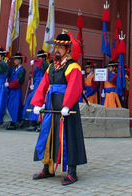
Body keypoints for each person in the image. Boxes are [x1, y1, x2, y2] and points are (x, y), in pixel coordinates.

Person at [31, 31, 87, 186]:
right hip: (51, 107)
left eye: (60, 47)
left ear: (67, 49)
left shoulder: (73, 66)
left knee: (68, 137)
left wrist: (67, 105)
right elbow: (44, 85)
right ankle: (48, 167)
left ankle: (72, 172)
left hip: (66, 109)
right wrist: (38, 103)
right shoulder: (51, 67)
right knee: (49, 135)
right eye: (55, 46)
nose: (56, 49)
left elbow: (74, 87)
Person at [23, 50, 50, 130]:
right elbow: (34, 77)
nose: (38, 59)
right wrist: (32, 84)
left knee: (41, 104)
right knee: (33, 103)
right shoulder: (36, 69)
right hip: (36, 88)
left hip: (42, 87)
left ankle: (40, 124)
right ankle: (33, 123)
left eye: (39, 58)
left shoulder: (46, 65)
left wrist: (35, 61)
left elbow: (42, 64)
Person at [5, 52, 26, 129]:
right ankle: (11, 122)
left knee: (15, 107)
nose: (15, 61)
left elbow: (19, 81)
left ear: (20, 61)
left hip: (16, 91)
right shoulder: (13, 69)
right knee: (10, 106)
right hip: (12, 91)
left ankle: (14, 123)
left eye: (16, 60)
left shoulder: (22, 70)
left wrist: (9, 84)